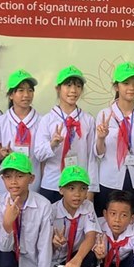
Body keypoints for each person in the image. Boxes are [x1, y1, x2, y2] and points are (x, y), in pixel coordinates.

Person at [92, 61, 134, 217]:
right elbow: (98, 153)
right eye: (126, 83)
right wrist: (101, 138)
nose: (131, 88)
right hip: (108, 181)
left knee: (131, 224)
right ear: (116, 87)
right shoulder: (104, 115)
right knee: (106, 223)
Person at [49, 165, 101, 267]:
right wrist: (52, 242)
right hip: (55, 260)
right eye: (71, 188)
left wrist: (77, 259)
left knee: (90, 257)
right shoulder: (51, 210)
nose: (77, 194)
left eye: (82, 189)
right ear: (61, 190)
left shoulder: (87, 206)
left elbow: (91, 236)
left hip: (75, 258)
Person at [35, 66, 97, 203]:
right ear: (58, 88)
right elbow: (39, 154)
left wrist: (91, 188)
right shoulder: (47, 120)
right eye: (68, 85)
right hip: (53, 183)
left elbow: (91, 157)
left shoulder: (87, 120)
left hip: (79, 186)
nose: (73, 91)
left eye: (78, 86)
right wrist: (52, 144)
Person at [0, 69, 43, 191]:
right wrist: (2, 153)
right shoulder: (0, 121)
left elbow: (43, 159)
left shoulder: (42, 121)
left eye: (30, 90)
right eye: (21, 90)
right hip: (7, 185)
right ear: (11, 95)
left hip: (33, 183)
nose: (26, 95)